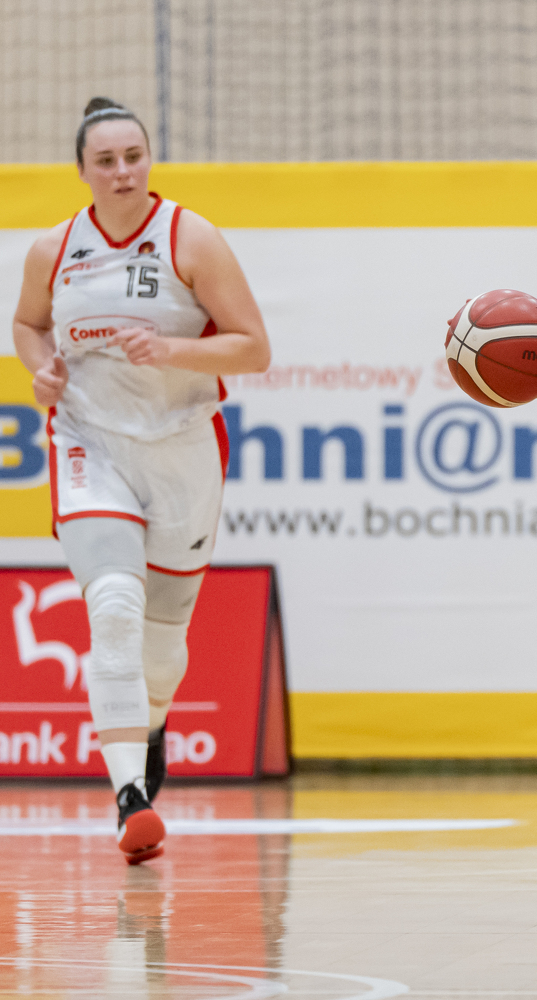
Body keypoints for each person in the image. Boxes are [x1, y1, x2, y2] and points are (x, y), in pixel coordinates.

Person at [11, 98, 271, 864]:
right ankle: (131, 798)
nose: (123, 172)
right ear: (82, 170)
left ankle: (151, 723)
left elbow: (254, 348)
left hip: (182, 448)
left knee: (162, 641)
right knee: (114, 607)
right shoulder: (54, 249)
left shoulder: (191, 237)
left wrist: (172, 351)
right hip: (90, 442)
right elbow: (28, 324)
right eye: (106, 161)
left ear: (149, 159)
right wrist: (42, 370)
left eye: (134, 156)